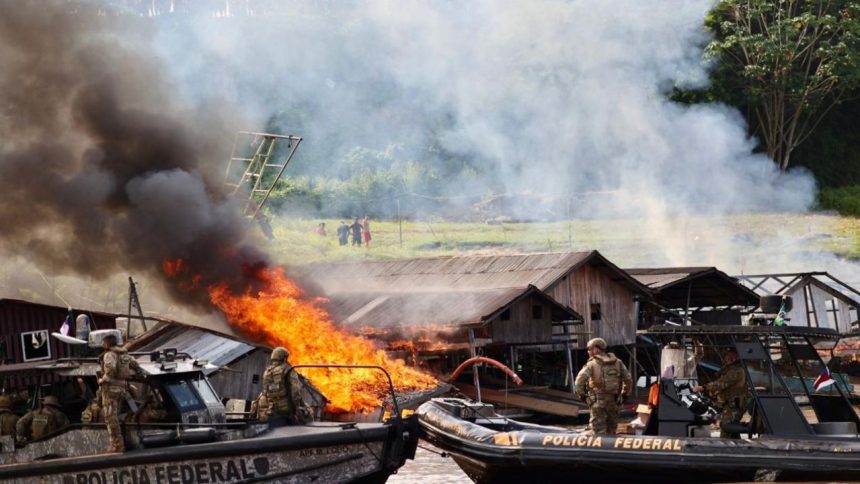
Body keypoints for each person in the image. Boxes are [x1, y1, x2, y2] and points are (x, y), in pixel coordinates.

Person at [575, 337, 632, 435]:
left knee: (598, 432)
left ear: (596, 349)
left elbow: (579, 382)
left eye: (589, 349)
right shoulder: (618, 362)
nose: (588, 352)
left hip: (597, 403)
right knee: (612, 431)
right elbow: (628, 380)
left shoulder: (592, 364)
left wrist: (584, 397)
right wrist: (624, 395)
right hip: (613, 402)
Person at [99, 333, 145, 452]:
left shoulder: (109, 354)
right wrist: (140, 374)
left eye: (104, 342)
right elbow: (136, 365)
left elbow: (111, 369)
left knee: (110, 418)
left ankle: (117, 445)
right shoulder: (124, 355)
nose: (103, 344)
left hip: (111, 389)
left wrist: (102, 379)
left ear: (107, 343)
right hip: (123, 388)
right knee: (126, 412)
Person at [693, 349, 748, 438]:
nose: (729, 358)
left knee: (726, 427)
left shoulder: (736, 371)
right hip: (729, 404)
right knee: (731, 430)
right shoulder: (728, 369)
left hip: (734, 405)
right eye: (728, 356)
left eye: (732, 356)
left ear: (737, 357)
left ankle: (727, 449)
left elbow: (721, 383)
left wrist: (703, 387)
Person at [257, 347, 312, 424]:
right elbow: (295, 391)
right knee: (308, 412)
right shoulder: (288, 369)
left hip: (272, 407)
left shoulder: (267, 372)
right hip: (286, 408)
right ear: (284, 358)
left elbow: (266, 391)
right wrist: (296, 407)